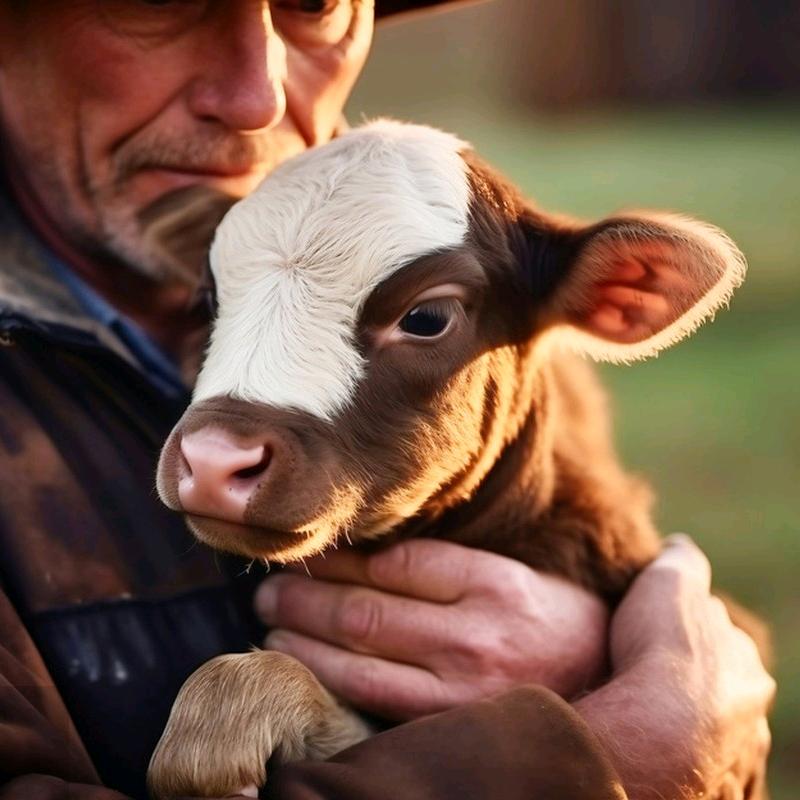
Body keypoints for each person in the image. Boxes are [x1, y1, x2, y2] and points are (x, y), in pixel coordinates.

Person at [0, 2, 774, 799]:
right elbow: (666, 739)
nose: (258, 98)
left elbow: (718, 710)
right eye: (157, 4)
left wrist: (616, 652)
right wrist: (605, 749)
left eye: (315, 5)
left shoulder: (487, 335)